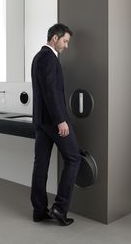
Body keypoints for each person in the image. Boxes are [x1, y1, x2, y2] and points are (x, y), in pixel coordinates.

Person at [30, 23, 81, 226]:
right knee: (74, 158)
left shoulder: (37, 57)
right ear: (54, 38)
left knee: (40, 164)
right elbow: (51, 92)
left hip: (40, 121)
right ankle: (60, 208)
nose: (66, 46)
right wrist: (61, 120)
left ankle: (39, 210)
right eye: (65, 41)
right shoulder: (50, 58)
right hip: (53, 121)